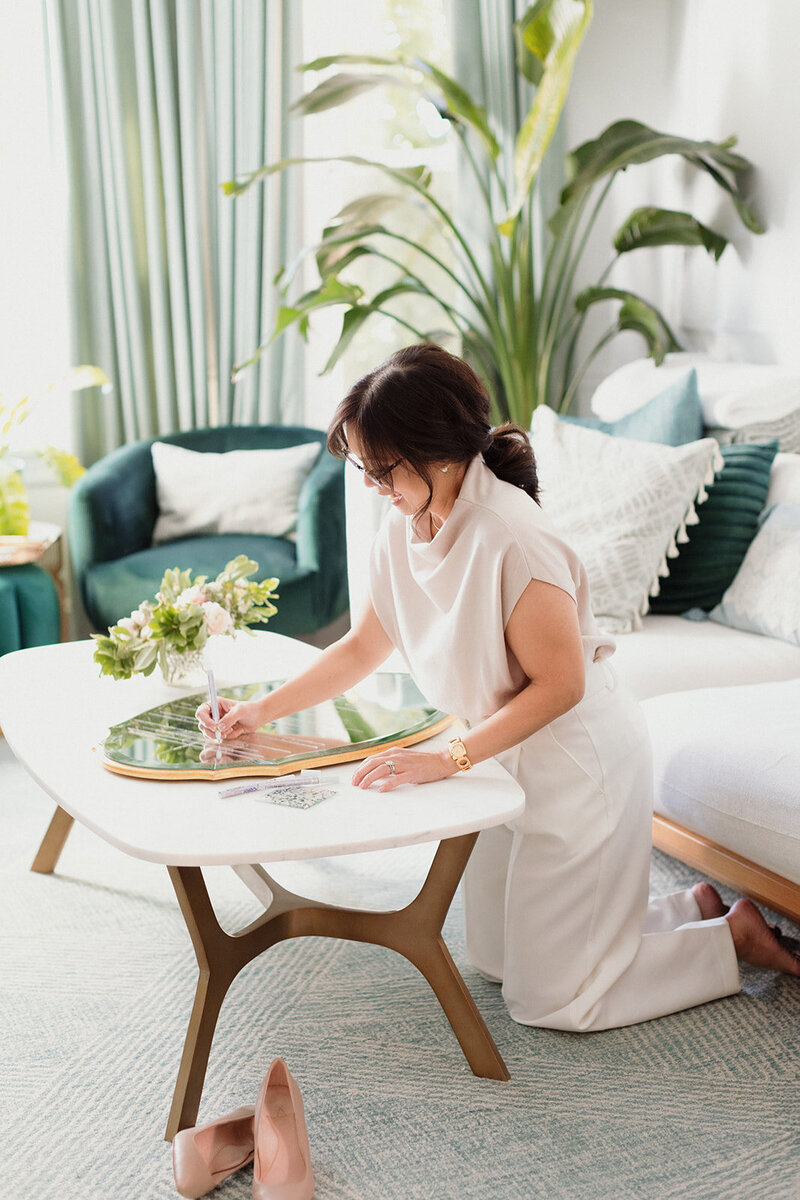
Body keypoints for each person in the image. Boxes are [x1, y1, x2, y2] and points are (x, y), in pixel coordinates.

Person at [197, 343, 800, 1031]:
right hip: (499, 754)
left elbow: (561, 686)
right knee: (496, 960)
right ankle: (689, 909)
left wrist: (446, 760)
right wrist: (258, 709)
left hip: (578, 763)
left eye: (381, 466)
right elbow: (363, 645)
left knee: (552, 1001)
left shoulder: (512, 535)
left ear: (440, 452)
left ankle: (728, 941)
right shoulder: (402, 528)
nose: (370, 483)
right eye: (363, 466)